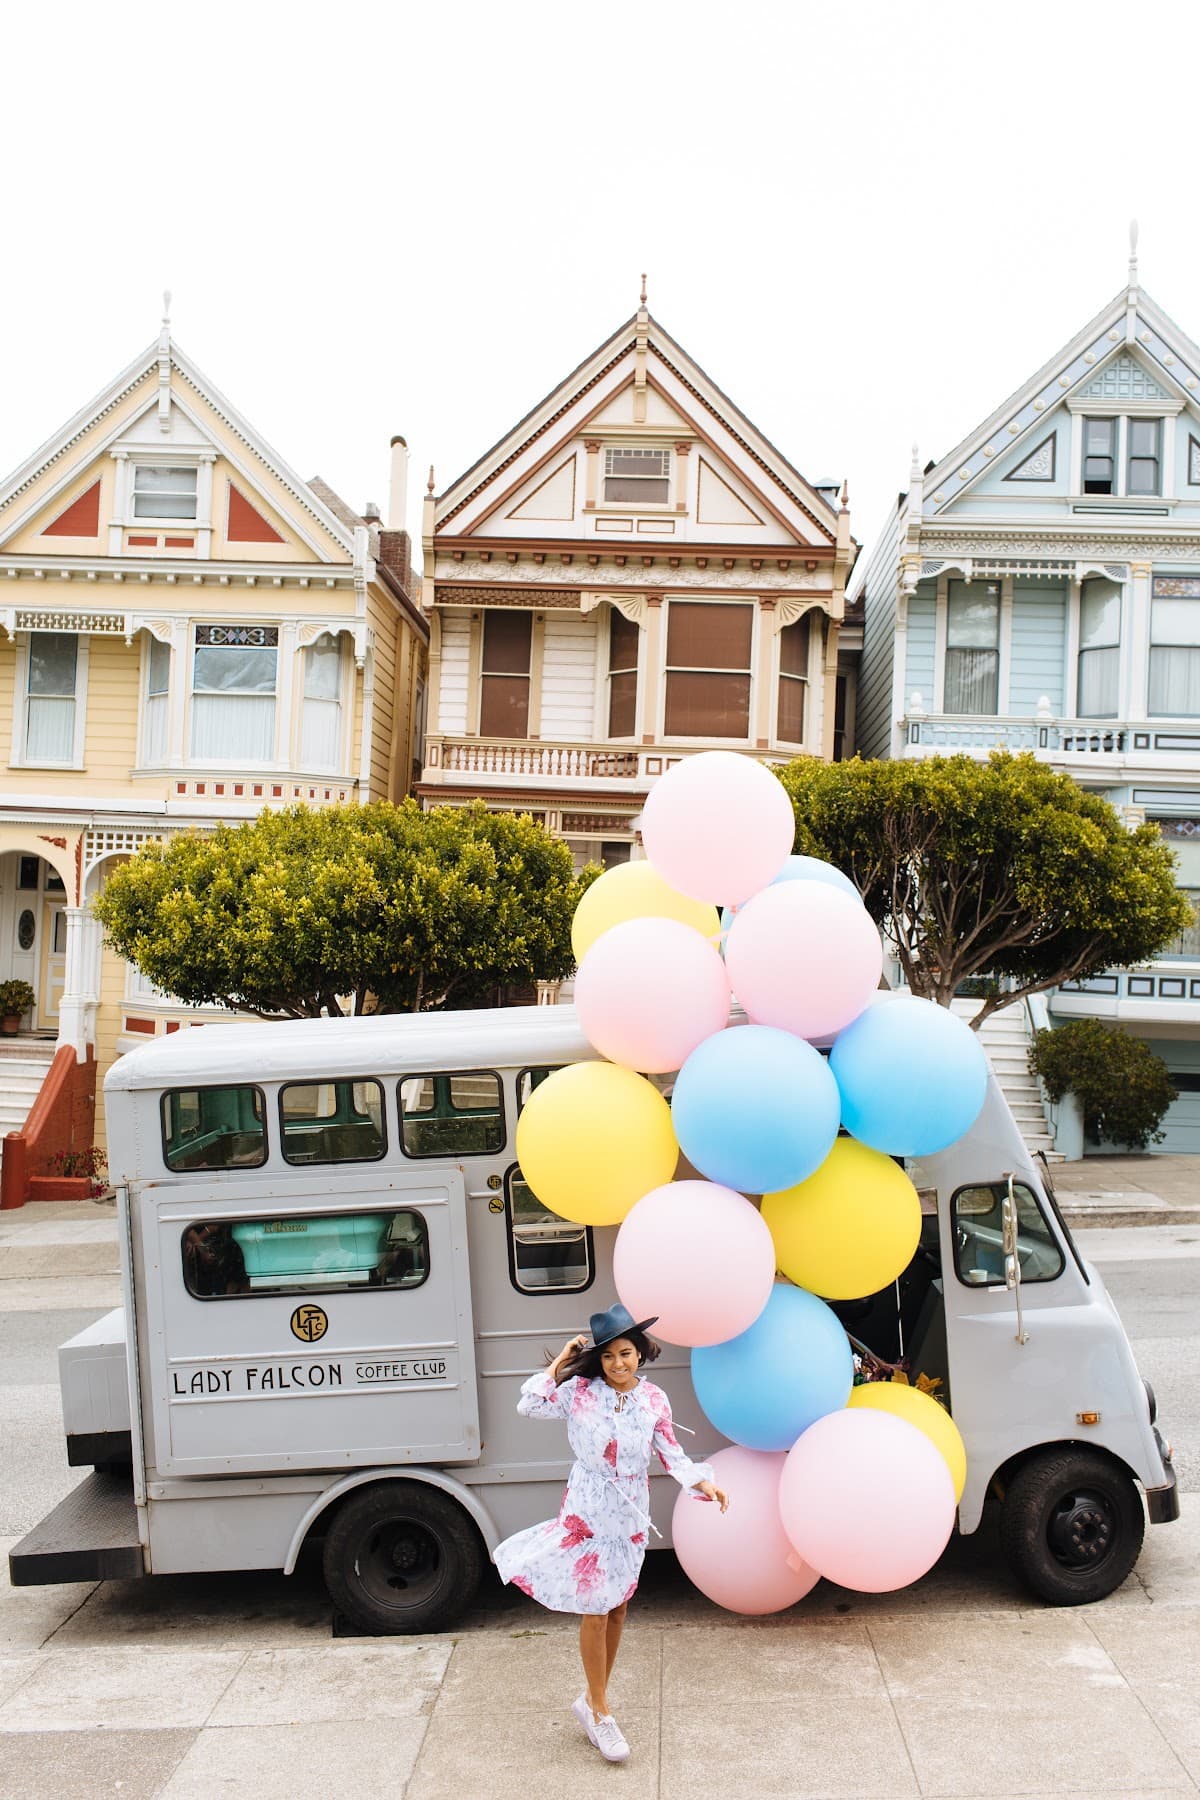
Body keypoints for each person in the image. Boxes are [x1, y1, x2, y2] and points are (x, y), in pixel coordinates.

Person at [493, 1302, 729, 1764]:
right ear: (597, 1361)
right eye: (608, 1357)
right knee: (597, 1608)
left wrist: (704, 1483)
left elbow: (672, 1454)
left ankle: (592, 1698)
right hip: (589, 1507)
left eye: (626, 1353)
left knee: (618, 1608)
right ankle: (599, 1711)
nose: (618, 1364)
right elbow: (528, 1404)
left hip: (631, 1512)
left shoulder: (654, 1399)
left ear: (640, 1352)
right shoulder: (580, 1391)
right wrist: (562, 1359)